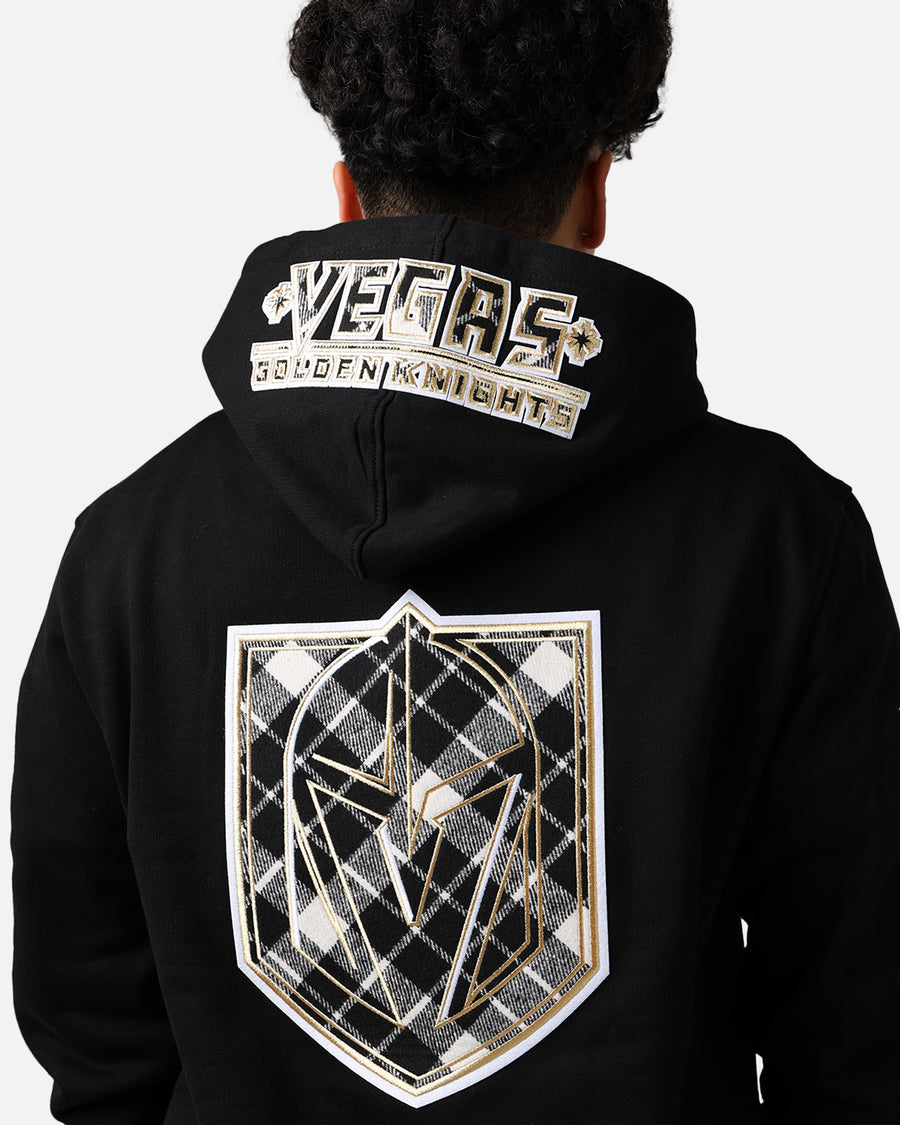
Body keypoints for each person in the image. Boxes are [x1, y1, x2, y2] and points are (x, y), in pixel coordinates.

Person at [11, 1, 899, 1122]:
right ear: (595, 194)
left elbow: (95, 1027)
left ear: (346, 199)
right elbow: (861, 1024)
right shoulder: (780, 537)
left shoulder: (131, 549)